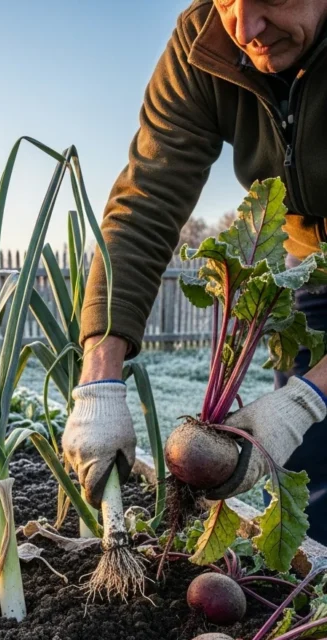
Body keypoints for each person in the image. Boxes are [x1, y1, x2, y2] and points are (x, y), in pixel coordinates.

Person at [62, 0, 327, 543]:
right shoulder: (204, 41)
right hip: (310, 272)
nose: (245, 29)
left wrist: (307, 398)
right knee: (311, 475)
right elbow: (148, 199)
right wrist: (99, 375)